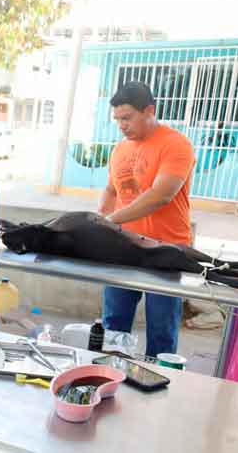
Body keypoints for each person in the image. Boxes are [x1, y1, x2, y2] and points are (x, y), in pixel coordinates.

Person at [98, 80, 195, 357]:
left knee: (161, 329)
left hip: (165, 250)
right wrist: (98, 221)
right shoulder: (120, 149)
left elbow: (161, 195)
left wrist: (110, 220)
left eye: (127, 118)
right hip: (122, 247)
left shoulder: (176, 145)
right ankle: (110, 379)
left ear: (149, 110)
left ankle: (159, 389)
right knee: (114, 325)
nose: (121, 125)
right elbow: (111, 189)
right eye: (117, 119)